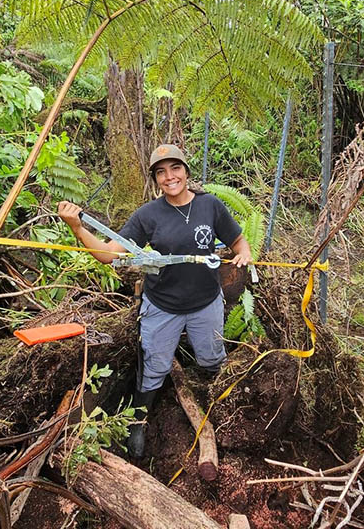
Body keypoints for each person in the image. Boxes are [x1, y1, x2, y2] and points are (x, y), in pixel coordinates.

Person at [57, 144, 252, 458]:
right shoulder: (147, 216)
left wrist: (243, 253)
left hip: (206, 305)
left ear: (186, 172)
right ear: (155, 179)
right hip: (162, 308)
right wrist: (77, 227)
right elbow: (108, 255)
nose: (169, 177)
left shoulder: (211, 206)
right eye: (161, 172)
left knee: (213, 359)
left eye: (175, 168)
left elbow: (238, 241)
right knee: (154, 367)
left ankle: (219, 408)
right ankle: (139, 421)